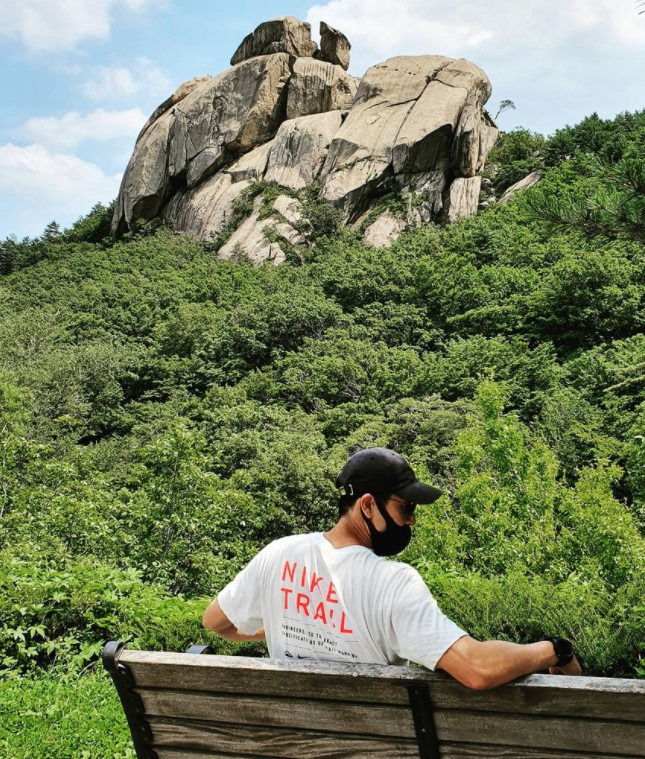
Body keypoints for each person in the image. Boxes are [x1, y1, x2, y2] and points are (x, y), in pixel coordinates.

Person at [203, 447, 582, 689]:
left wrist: (289, 624)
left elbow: (216, 623)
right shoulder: (394, 583)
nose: (412, 521)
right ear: (368, 505)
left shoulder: (278, 553)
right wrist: (555, 651)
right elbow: (477, 669)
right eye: (407, 508)